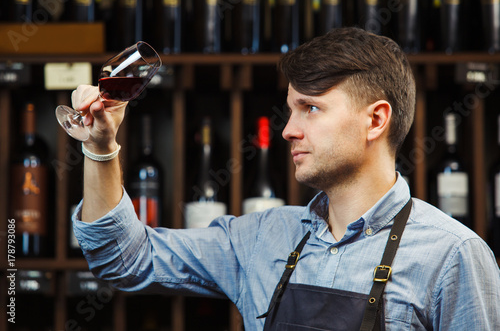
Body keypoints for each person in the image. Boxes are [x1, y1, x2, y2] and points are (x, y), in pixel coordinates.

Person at [71, 27, 500, 330]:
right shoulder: (260, 239)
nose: (288, 130)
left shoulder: (453, 257)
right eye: (291, 109)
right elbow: (122, 258)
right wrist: (101, 147)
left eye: (310, 108)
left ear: (375, 120)